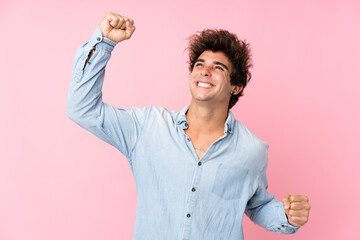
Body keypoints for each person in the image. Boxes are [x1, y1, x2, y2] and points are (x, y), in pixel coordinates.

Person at [67, 12, 310, 240]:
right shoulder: (147, 127)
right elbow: (82, 109)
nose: (205, 71)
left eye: (218, 67)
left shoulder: (252, 150)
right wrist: (104, 43)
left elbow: (257, 206)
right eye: (200, 64)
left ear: (236, 87)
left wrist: (287, 216)